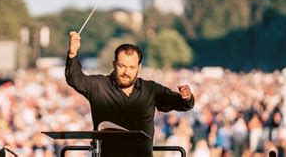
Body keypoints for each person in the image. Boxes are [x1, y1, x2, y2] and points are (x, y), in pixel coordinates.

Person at [65, 31, 195, 156]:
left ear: (139, 68)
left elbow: (180, 103)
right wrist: (72, 54)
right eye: (122, 66)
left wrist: (186, 97)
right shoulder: (99, 86)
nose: (126, 72)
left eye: (132, 67)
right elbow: (76, 79)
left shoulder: (150, 89)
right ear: (114, 64)